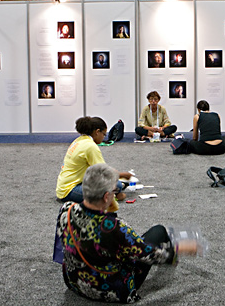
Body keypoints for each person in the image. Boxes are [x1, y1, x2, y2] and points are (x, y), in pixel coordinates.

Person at [56, 163, 198, 303]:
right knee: (158, 231)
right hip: (109, 291)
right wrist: (179, 249)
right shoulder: (115, 228)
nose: (115, 196)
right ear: (106, 196)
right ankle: (172, 245)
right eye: (114, 192)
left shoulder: (66, 209)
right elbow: (148, 255)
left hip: (74, 281)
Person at [55, 116, 133, 203]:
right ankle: (112, 197)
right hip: (70, 191)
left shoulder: (79, 140)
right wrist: (123, 175)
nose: (104, 137)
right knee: (117, 184)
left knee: (113, 183)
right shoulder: (90, 146)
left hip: (63, 187)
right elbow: (104, 172)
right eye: (104, 134)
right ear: (97, 132)